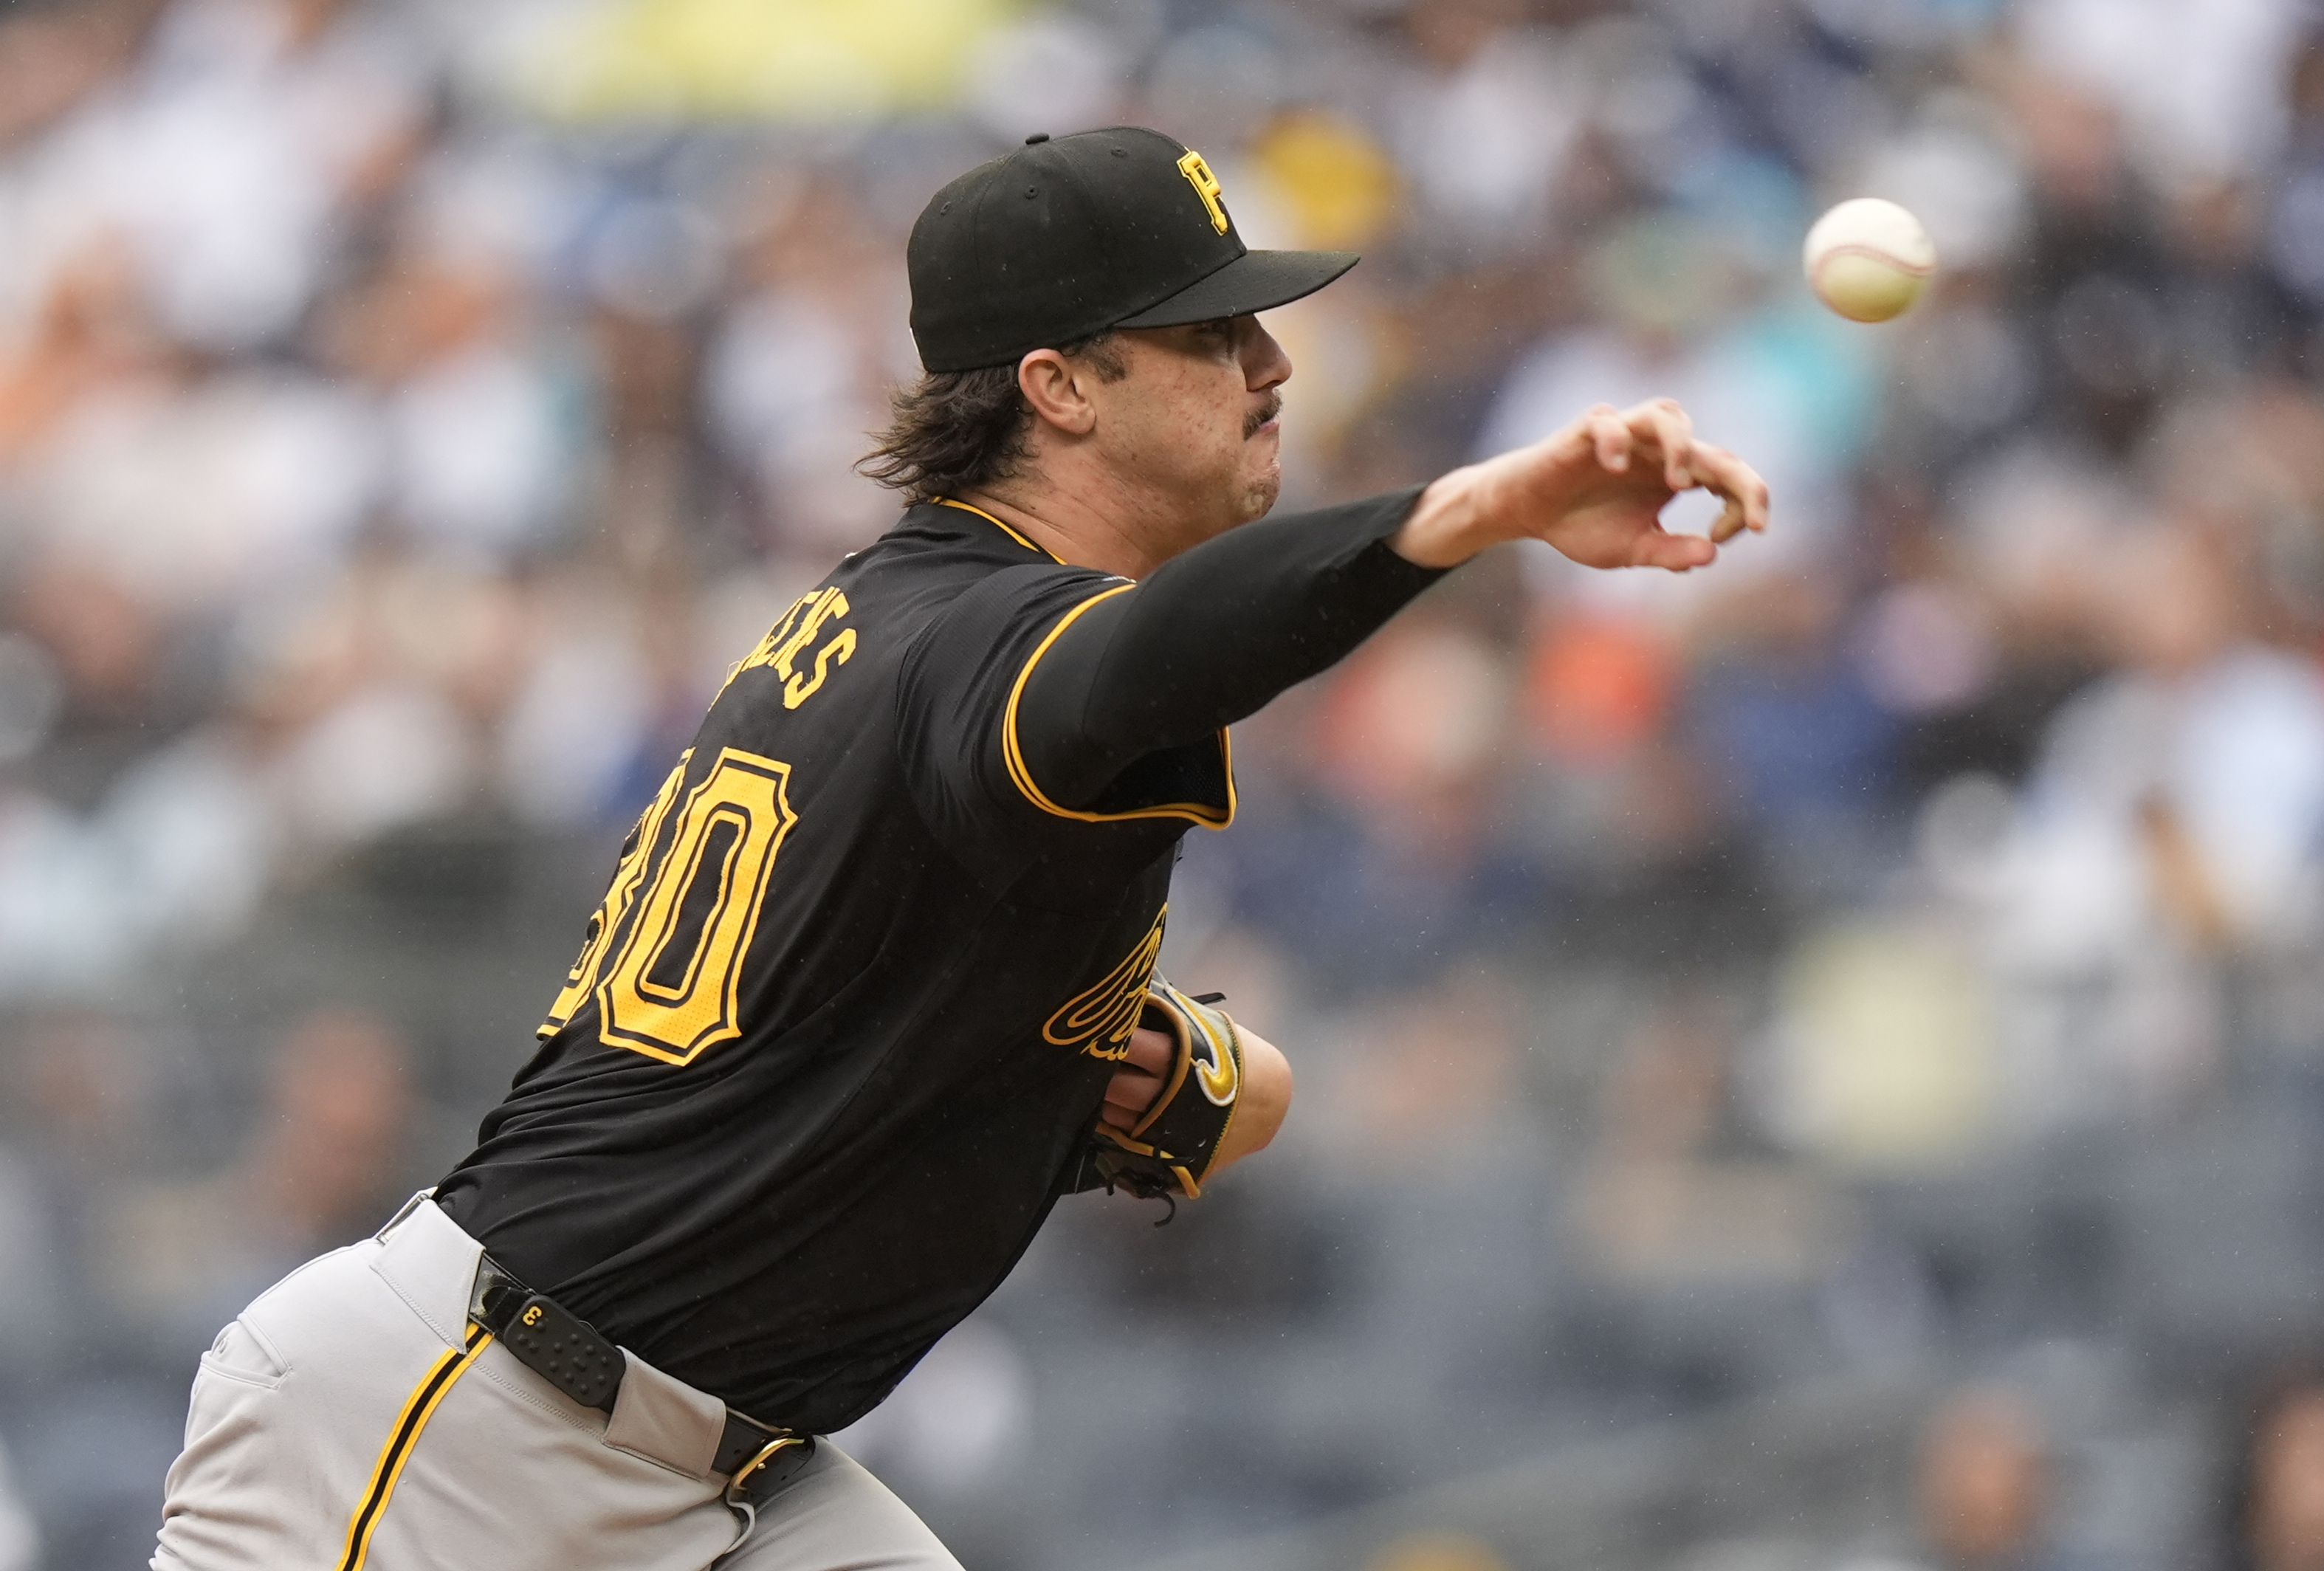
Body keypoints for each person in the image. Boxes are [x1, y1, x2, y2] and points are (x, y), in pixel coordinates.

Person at [149, 125, 1768, 1571]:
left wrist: (1105, 1072)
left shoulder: (902, 618)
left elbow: (852, 1055)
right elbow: (1160, 658)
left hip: (723, 1466)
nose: (1272, 360)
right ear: (1058, 384)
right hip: (461, 1433)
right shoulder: (997, 641)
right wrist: (1468, 515)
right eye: (1209, 330)